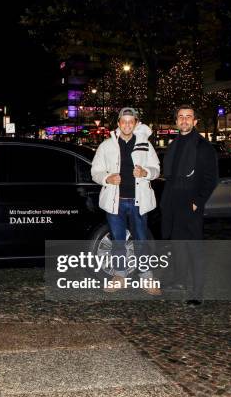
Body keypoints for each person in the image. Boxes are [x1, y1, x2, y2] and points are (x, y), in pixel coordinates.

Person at [91, 107, 161, 295]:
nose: (127, 125)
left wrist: (146, 172)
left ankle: (147, 278)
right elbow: (95, 172)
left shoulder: (145, 144)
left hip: (139, 201)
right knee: (118, 241)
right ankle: (119, 276)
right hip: (115, 201)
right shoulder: (106, 145)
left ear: (136, 123)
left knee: (141, 240)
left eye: (131, 121)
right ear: (119, 123)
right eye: (124, 121)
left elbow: (156, 169)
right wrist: (107, 178)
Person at [161, 104, 219, 307]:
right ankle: (179, 281)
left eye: (189, 117)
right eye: (181, 117)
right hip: (174, 203)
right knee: (178, 247)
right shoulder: (174, 144)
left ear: (195, 121)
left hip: (190, 204)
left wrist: (198, 202)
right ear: (176, 121)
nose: (184, 120)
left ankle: (197, 292)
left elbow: (211, 179)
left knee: (194, 249)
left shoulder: (203, 147)